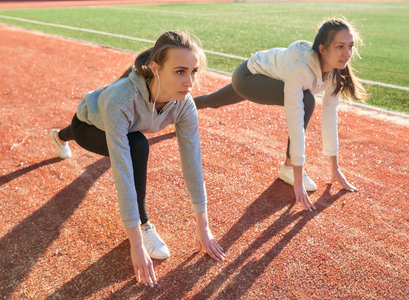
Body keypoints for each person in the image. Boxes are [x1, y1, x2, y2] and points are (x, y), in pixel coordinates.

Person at [48, 31, 225, 287]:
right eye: (179, 71)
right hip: (91, 123)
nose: (189, 82)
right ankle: (144, 224)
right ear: (155, 68)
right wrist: (137, 243)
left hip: (120, 122)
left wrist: (203, 226)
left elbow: (192, 163)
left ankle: (60, 136)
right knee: (136, 145)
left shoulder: (184, 104)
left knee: (133, 140)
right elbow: (122, 173)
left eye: (194, 71)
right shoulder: (122, 100)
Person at [194, 18, 368, 211]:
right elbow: (295, 118)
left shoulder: (336, 73)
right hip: (248, 77)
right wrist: (297, 176)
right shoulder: (300, 69)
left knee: (215, 101)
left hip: (267, 79)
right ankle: (287, 168)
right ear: (322, 49)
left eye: (350, 46)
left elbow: (330, 118)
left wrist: (334, 169)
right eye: (340, 46)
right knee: (306, 100)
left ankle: (183, 107)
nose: (347, 53)